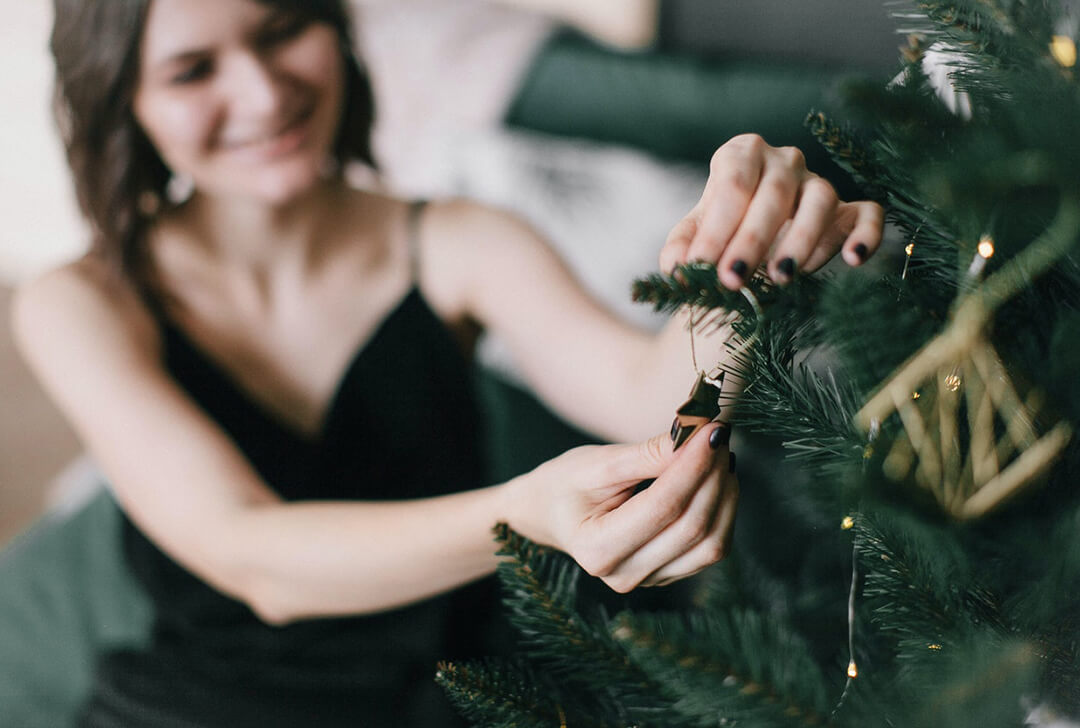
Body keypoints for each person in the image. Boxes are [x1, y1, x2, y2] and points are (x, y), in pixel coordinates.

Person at [13, 0, 884, 724]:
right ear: (121, 97)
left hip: (465, 693)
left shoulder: (460, 240)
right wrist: (521, 513)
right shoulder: (79, 303)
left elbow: (642, 400)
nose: (263, 91)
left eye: (282, 30)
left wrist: (742, 255)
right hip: (211, 706)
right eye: (192, 70)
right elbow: (251, 556)